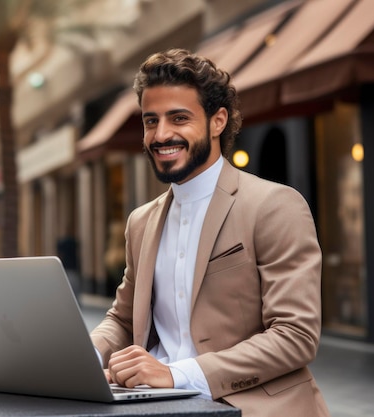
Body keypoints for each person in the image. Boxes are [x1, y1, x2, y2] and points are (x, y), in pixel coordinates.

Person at [89, 49, 330, 417]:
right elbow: (122, 319)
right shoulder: (141, 222)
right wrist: (85, 355)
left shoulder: (274, 205)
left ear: (218, 121)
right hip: (155, 406)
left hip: (250, 407)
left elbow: (295, 336)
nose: (161, 134)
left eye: (179, 118)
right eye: (150, 121)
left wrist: (177, 374)